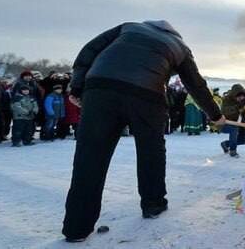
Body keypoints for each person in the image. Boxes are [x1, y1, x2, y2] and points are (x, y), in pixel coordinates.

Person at [61, 20, 225, 243]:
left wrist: (77, 85)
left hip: (101, 88)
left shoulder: (128, 27)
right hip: (147, 94)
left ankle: (76, 228)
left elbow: (89, 50)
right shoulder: (180, 47)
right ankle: (153, 203)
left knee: (90, 155)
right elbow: (195, 84)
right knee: (151, 150)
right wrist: (215, 115)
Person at [220, 84, 245, 157]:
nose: (241, 98)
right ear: (234, 95)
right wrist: (237, 108)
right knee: (234, 129)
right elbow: (225, 111)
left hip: (238, 123)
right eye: (239, 97)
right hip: (224, 123)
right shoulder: (226, 100)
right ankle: (233, 150)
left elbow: (244, 114)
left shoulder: (243, 101)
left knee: (244, 139)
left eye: (242, 96)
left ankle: (226, 144)